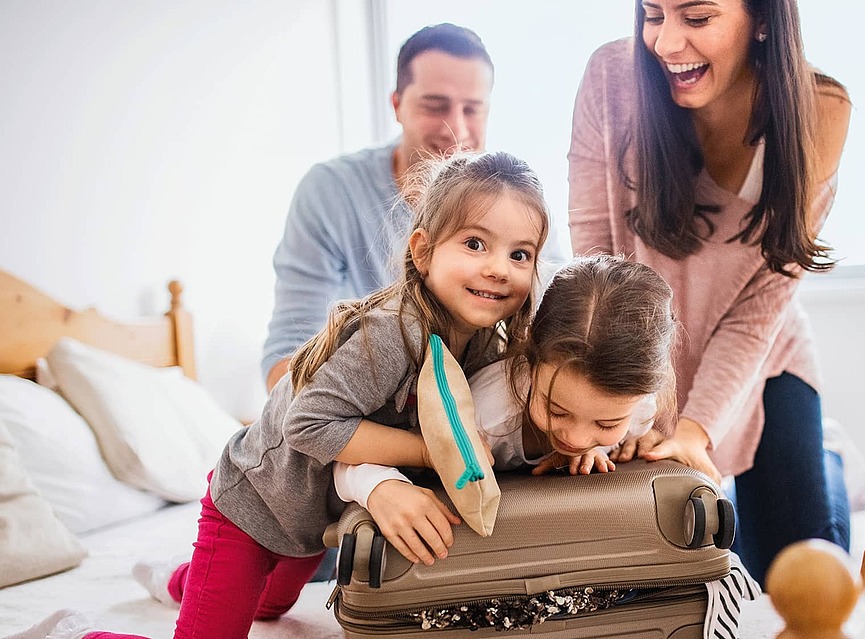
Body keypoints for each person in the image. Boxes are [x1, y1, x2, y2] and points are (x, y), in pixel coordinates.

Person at [16, 150, 551, 639]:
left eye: (520, 254)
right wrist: (428, 451)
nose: (498, 268)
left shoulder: (483, 342)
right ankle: (74, 631)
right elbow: (310, 426)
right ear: (424, 249)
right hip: (251, 504)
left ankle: (177, 580)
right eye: (475, 244)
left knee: (271, 608)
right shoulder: (392, 334)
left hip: (312, 521)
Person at [567, 0, 853, 587]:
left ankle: (829, 456)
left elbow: (758, 313)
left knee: (798, 574)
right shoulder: (612, 78)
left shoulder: (819, 112)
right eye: (653, 14)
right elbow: (595, 259)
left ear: (765, 20)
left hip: (763, 360)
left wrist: (695, 431)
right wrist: (630, 403)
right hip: (642, 355)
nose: (667, 43)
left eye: (697, 19)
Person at [262, 21, 563, 393]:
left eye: (472, 109)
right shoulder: (329, 192)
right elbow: (288, 361)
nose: (456, 129)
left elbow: (558, 324)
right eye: (435, 106)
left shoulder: (518, 202)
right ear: (397, 105)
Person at [334, 254, 679, 565]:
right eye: (557, 411)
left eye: (606, 423)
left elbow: (631, 428)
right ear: (529, 358)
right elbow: (347, 456)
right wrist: (378, 487)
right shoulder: (485, 414)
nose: (577, 437)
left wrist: (619, 444)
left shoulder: (639, 405)